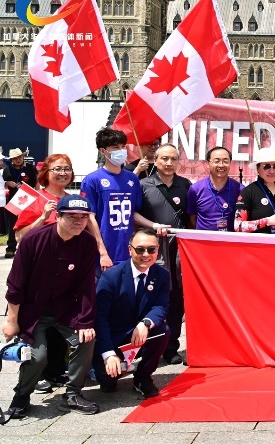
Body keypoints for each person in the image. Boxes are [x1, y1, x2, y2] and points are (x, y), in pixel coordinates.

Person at [3, 195, 100, 418]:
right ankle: (21, 396)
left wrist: (85, 321)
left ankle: (73, 394)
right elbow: (15, 283)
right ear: (58, 216)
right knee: (37, 356)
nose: (78, 222)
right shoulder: (33, 240)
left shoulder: (86, 242)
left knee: (86, 338)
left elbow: (86, 285)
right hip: (32, 309)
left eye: (83, 217)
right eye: (72, 216)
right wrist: (11, 320)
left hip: (65, 308)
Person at [93, 228, 170, 399]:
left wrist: (146, 323)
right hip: (114, 338)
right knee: (108, 382)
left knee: (163, 331)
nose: (146, 254)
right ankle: (102, 367)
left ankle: (142, 376)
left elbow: (161, 306)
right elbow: (100, 318)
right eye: (140, 249)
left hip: (139, 334)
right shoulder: (111, 277)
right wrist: (108, 354)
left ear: (157, 249)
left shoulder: (162, 275)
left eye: (151, 249)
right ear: (130, 250)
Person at [136, 144, 191, 364]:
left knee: (176, 299)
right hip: (151, 251)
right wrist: (153, 225)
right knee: (149, 296)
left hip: (178, 251)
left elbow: (191, 218)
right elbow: (133, 214)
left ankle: (171, 347)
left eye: (173, 159)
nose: (169, 163)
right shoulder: (143, 185)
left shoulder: (185, 185)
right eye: (164, 159)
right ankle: (145, 346)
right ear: (155, 160)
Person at [81, 128, 163, 271]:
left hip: (127, 250)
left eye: (123, 147)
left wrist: (155, 225)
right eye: (115, 147)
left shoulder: (132, 178)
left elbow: (133, 213)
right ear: (103, 151)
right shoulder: (92, 180)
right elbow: (89, 217)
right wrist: (102, 252)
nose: (121, 151)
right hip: (104, 253)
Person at [14, 154, 74, 241]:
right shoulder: (33, 199)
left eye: (67, 169)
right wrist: (43, 218)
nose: (63, 173)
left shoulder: (74, 200)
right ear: (46, 173)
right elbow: (19, 237)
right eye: (57, 169)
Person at [187, 146, 243, 232]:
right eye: (217, 161)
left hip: (229, 241)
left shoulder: (240, 189)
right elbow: (192, 218)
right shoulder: (195, 189)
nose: (221, 165)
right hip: (204, 241)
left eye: (225, 161)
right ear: (207, 164)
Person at [235, 148, 275, 234]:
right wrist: (267, 221)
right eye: (266, 167)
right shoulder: (248, 192)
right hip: (257, 246)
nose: (272, 171)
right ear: (258, 169)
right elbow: (238, 226)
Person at [2, 148, 38, 258]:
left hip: (29, 198)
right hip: (14, 199)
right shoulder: (7, 169)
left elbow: (36, 183)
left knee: (30, 222)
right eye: (15, 158)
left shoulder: (30, 168)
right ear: (11, 159)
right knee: (13, 223)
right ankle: (11, 248)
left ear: (23, 157)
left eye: (20, 157)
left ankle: (30, 247)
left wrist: (37, 196)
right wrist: (7, 182)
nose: (18, 160)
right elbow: (2, 184)